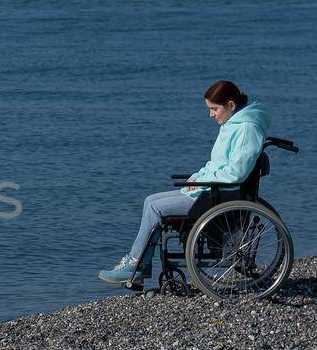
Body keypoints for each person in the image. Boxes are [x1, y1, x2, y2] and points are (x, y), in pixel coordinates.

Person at [98, 80, 270, 286]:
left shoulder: (246, 129)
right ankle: (140, 265)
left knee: (155, 208)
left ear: (231, 106)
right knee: (150, 200)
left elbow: (236, 173)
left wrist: (203, 183)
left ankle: (134, 265)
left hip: (221, 196)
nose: (211, 114)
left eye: (214, 109)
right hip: (213, 190)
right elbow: (217, 164)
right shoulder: (233, 124)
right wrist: (196, 178)